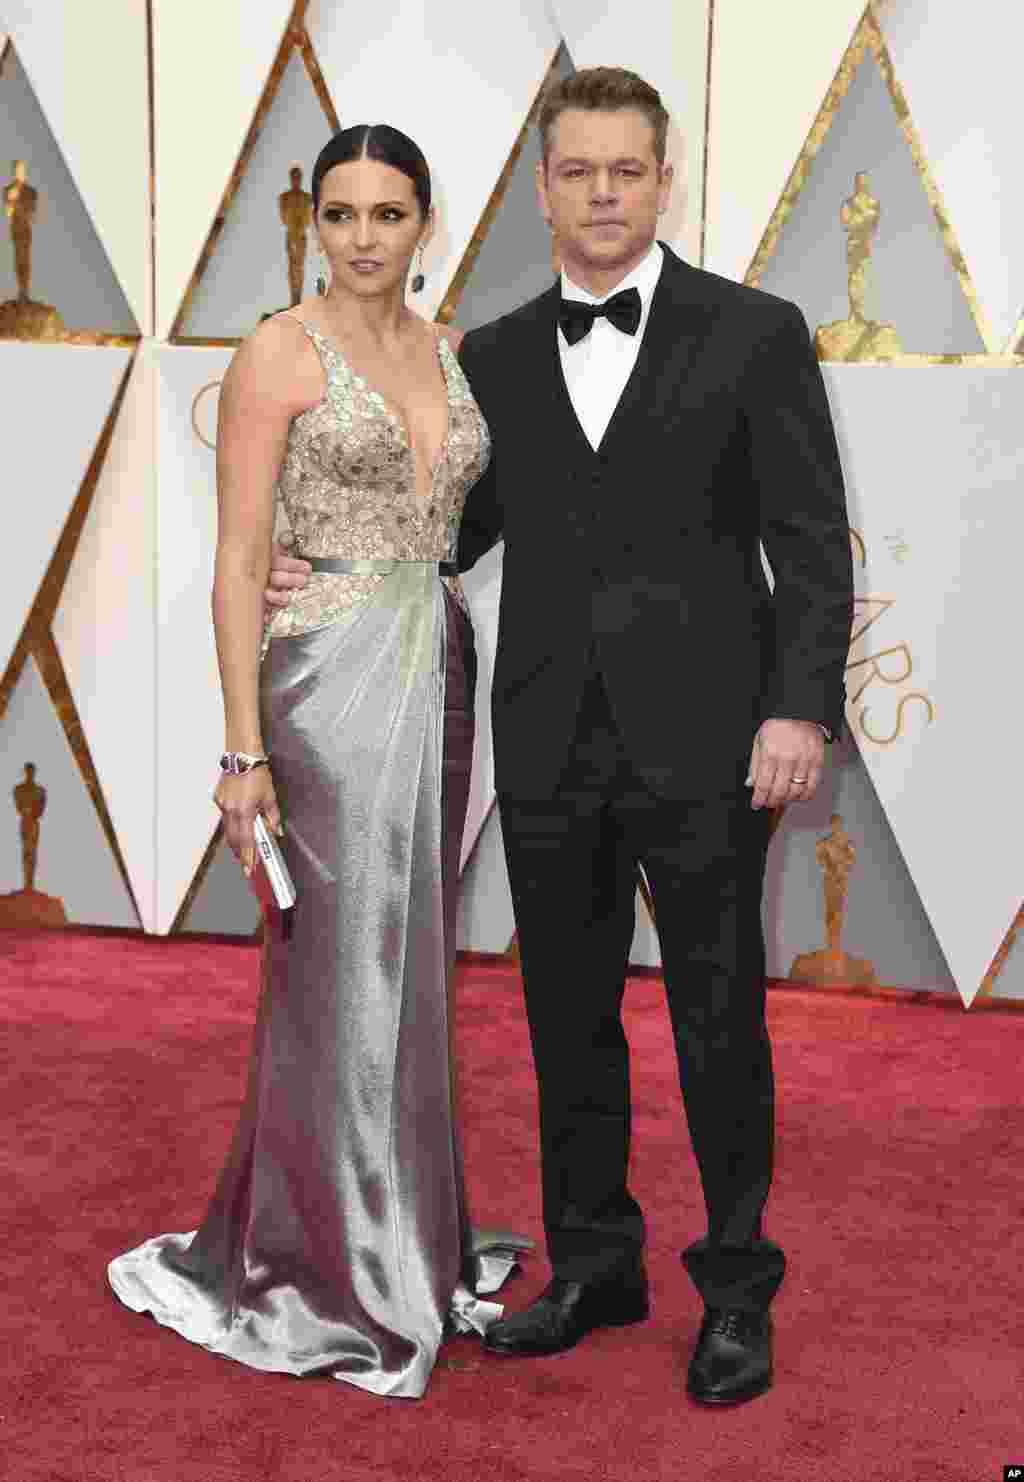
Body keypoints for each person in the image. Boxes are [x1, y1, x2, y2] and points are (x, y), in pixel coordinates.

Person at [268, 67, 854, 1406]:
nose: (602, 193)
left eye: (626, 171)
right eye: (577, 171)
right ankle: (596, 1263)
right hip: (546, 738)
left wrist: (798, 706)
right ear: (542, 188)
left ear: (665, 181)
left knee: (720, 1020)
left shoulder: (757, 333)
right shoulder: (495, 353)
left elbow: (811, 545)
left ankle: (737, 1286)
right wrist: (325, 566)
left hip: (716, 742)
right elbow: (452, 536)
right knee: (564, 1018)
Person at [108, 124, 528, 1400]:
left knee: (414, 959)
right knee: (340, 968)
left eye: (386, 214)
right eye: (338, 214)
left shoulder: (460, 356)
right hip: (324, 679)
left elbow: (478, 520)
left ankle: (408, 1238)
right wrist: (242, 753)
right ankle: (319, 1273)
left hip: (437, 661)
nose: (361, 239)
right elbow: (241, 559)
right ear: (315, 225)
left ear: (422, 222)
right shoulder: (278, 354)